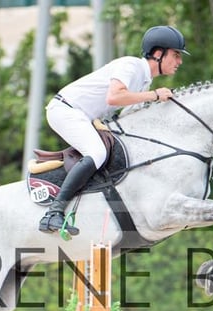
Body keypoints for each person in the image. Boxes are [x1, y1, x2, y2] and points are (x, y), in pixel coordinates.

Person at [38, 25, 189, 235]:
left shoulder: (144, 81)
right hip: (65, 110)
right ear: (158, 53)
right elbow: (114, 97)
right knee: (97, 152)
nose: (179, 61)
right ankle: (53, 213)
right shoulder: (132, 66)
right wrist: (155, 95)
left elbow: (127, 116)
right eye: (176, 55)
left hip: (83, 116)